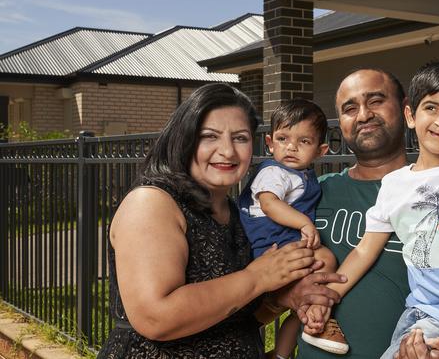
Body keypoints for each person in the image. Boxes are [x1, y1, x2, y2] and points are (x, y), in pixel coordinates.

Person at [98, 83, 345, 359]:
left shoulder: (234, 210)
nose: (227, 151)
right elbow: (156, 318)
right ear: (185, 139)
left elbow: (232, 317)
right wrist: (258, 277)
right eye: (209, 136)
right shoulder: (152, 203)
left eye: (240, 138)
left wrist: (282, 299)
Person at [304, 61, 439, 358]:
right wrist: (328, 296)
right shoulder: (380, 186)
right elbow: (364, 251)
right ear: (412, 115)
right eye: (432, 108)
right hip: (418, 312)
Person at [238, 99, 348, 358]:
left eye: (304, 142)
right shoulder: (274, 173)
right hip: (270, 244)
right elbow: (269, 204)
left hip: (282, 241)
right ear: (269, 142)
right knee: (324, 258)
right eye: (283, 138)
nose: (291, 147)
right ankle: (319, 316)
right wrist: (303, 223)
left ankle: (282, 353)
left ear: (320, 151)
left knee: (298, 313)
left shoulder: (301, 176)